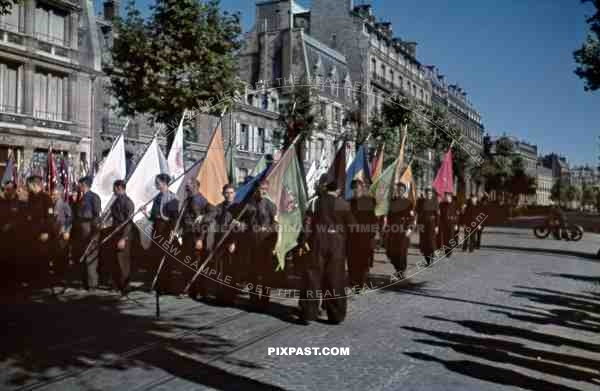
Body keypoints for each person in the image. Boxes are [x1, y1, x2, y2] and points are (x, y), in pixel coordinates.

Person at [299, 174, 356, 325]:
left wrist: (303, 241)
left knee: (312, 277)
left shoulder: (315, 202)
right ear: (338, 190)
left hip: (317, 243)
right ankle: (335, 315)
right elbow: (353, 227)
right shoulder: (343, 204)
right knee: (335, 279)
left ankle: (308, 313)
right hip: (336, 245)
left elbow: (307, 224)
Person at [243, 180, 278, 310]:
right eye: (260, 188)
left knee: (265, 273)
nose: (262, 191)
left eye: (264, 189)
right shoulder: (248, 204)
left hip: (265, 243)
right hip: (251, 242)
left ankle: (265, 300)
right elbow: (243, 222)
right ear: (255, 189)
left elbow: (276, 225)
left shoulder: (270, 205)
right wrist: (241, 226)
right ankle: (253, 299)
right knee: (252, 272)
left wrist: (267, 230)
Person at [180, 178, 215, 298]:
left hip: (197, 237)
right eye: (186, 187)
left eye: (188, 186)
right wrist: (178, 230)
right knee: (188, 263)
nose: (186, 188)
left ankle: (200, 291)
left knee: (197, 264)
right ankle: (190, 290)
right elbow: (183, 218)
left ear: (195, 186)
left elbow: (212, 213)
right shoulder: (187, 200)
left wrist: (200, 238)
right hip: (187, 236)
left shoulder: (201, 200)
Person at [21, 176, 54, 288]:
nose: (28, 187)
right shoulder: (31, 197)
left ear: (35, 185)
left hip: (42, 232)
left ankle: (43, 282)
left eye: (29, 185)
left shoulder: (46, 198)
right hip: (31, 232)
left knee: (42, 257)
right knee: (32, 257)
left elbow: (49, 217)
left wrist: (46, 232)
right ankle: (33, 281)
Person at [148, 173, 180, 294]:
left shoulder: (172, 198)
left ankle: (166, 286)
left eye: (157, 182)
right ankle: (157, 284)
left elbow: (174, 217)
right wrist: (146, 213)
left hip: (166, 229)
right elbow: (153, 216)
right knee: (155, 256)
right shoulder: (157, 197)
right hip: (156, 229)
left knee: (165, 258)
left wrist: (173, 230)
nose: (156, 184)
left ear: (164, 183)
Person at [103, 180, 135, 296]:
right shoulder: (115, 201)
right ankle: (116, 284)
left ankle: (125, 286)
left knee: (123, 261)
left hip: (123, 235)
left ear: (119, 188)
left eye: (114, 188)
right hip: (114, 234)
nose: (113, 190)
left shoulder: (128, 202)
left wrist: (124, 238)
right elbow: (111, 216)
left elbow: (129, 222)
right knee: (114, 260)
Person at [71, 176, 102, 291]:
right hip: (81, 229)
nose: (78, 187)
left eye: (79, 185)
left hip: (90, 228)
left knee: (90, 255)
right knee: (82, 255)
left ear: (84, 185)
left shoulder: (94, 197)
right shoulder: (81, 198)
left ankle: (92, 284)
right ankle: (85, 282)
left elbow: (96, 215)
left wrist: (94, 232)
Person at [213, 184, 241, 305]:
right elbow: (213, 219)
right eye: (226, 193)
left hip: (232, 242)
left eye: (231, 192)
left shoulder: (239, 208)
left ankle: (230, 297)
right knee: (220, 269)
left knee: (231, 270)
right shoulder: (219, 207)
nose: (229, 195)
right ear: (223, 194)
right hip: (220, 241)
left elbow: (243, 226)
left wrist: (234, 242)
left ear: (235, 194)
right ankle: (220, 295)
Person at [348, 179, 377, 292]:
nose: (356, 190)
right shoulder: (349, 202)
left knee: (363, 262)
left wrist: (373, 235)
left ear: (362, 189)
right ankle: (354, 282)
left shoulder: (369, 201)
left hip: (365, 237)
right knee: (352, 261)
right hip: (351, 238)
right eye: (354, 189)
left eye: (358, 188)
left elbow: (373, 220)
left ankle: (361, 283)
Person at [385, 182, 415, 278]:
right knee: (390, 252)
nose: (399, 191)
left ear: (404, 191)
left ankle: (402, 270)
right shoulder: (391, 201)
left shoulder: (408, 203)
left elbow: (411, 217)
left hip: (403, 231)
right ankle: (398, 269)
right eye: (398, 189)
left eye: (401, 190)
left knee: (402, 252)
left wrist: (410, 229)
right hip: (393, 231)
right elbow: (388, 216)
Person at [0, 181, 24, 290]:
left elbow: (22, 218)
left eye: (9, 189)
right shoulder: (1, 202)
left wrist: (12, 224)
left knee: (14, 261)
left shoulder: (19, 203)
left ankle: (14, 283)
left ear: (14, 190)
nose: (7, 191)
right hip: (3, 238)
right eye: (5, 189)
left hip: (15, 237)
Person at [50, 186, 72, 290]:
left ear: (59, 194)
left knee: (63, 255)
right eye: (52, 194)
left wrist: (67, 230)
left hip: (62, 234)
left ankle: (64, 277)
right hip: (54, 234)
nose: (52, 196)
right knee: (56, 255)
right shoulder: (52, 205)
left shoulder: (64, 205)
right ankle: (57, 275)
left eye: (54, 194)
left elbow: (70, 219)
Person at [417, 188, 440, 266]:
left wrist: (437, 225)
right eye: (427, 193)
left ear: (432, 194)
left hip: (431, 225)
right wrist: (418, 225)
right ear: (425, 194)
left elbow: (437, 215)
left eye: (430, 193)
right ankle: (427, 261)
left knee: (431, 242)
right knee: (424, 243)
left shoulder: (434, 202)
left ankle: (432, 260)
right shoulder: (421, 202)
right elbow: (418, 214)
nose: (428, 195)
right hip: (423, 224)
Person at [438, 191, 460, 258]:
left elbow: (457, 215)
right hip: (444, 223)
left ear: (450, 197)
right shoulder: (442, 204)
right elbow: (440, 215)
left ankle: (449, 251)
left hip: (451, 223)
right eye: (445, 196)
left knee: (451, 237)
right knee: (445, 238)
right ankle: (446, 250)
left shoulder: (454, 204)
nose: (446, 198)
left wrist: (456, 224)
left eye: (447, 196)